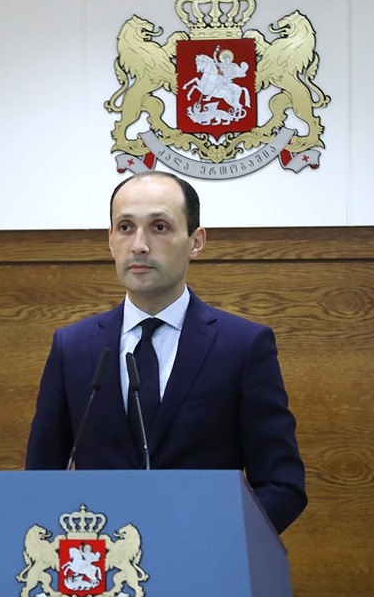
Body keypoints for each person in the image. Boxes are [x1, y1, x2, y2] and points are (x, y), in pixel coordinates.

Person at [24, 171, 306, 533]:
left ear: (196, 241)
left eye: (159, 227)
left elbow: (282, 485)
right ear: (110, 240)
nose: (139, 245)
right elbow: (40, 480)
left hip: (205, 556)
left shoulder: (243, 346)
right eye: (125, 228)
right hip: (101, 561)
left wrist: (214, 542)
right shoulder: (73, 347)